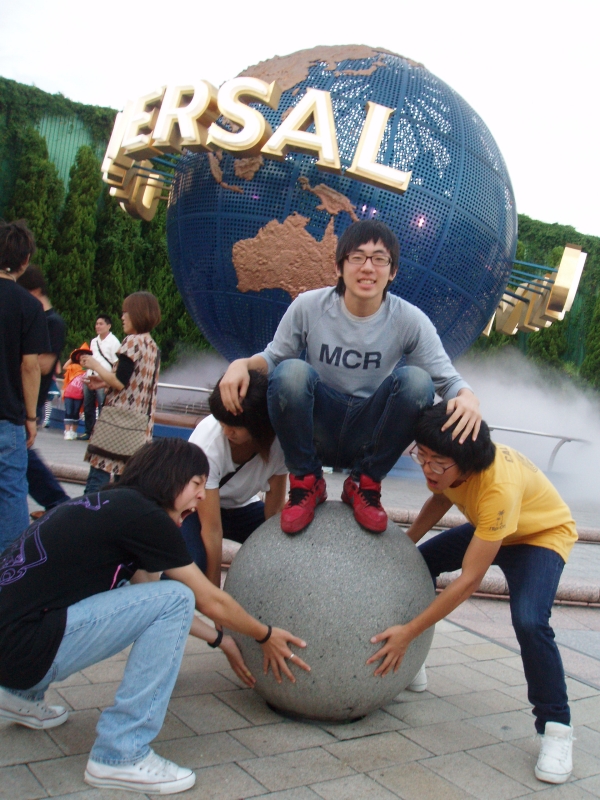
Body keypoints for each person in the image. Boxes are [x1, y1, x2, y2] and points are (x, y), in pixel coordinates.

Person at [0, 437, 310, 795]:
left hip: (13, 645)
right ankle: (120, 753)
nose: (201, 496)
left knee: (167, 597)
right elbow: (208, 600)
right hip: (22, 647)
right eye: (196, 484)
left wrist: (221, 640)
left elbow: (146, 598)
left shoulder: (113, 504)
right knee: (178, 596)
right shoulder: (144, 516)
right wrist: (264, 634)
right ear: (170, 477)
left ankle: (19, 696)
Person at [219, 220, 481, 535]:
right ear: (339, 267)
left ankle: (365, 484)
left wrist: (468, 396)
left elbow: (447, 380)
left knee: (417, 383)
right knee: (290, 372)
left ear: (393, 271)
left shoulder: (408, 320)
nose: (368, 267)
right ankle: (306, 482)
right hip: (317, 429)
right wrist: (241, 364)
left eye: (379, 259)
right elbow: (274, 357)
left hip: (368, 434)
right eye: (357, 257)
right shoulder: (309, 306)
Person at [367, 402, 577, 785]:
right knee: (418, 564)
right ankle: (413, 660)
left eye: (438, 463)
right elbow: (442, 496)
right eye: (421, 456)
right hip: (495, 527)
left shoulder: (498, 487)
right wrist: (405, 545)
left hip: (539, 535)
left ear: (467, 463)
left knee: (530, 621)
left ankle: (557, 728)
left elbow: (468, 581)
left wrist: (408, 632)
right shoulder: (450, 470)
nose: (428, 469)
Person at [183, 370, 287, 586]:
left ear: (259, 423)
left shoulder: (279, 444)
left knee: (287, 542)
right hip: (195, 509)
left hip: (241, 509)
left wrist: (275, 552)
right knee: (192, 565)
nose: (226, 431)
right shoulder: (209, 443)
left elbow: (274, 513)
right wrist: (214, 592)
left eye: (234, 426)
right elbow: (212, 530)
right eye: (222, 422)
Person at [0, 220, 49, 550]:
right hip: (7, 417)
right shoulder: (29, 306)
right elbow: (30, 366)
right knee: (10, 493)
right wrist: (31, 417)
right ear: (25, 260)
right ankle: (11, 572)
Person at [81, 292, 161, 494]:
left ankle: (89, 512)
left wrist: (94, 365)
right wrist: (102, 382)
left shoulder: (132, 341)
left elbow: (118, 382)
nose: (122, 317)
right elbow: (133, 380)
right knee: (123, 483)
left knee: (97, 477)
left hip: (117, 422)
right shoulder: (152, 346)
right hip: (138, 425)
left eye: (126, 312)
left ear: (138, 314)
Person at [16, 265, 70, 517]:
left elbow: (44, 363)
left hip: (30, 398)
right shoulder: (38, 319)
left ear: (35, 291)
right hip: (22, 397)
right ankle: (55, 501)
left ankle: (57, 500)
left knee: (23, 455)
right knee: (21, 455)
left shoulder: (53, 323)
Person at [80, 314, 120, 440]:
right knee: (88, 405)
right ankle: (88, 431)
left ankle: (102, 434)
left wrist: (109, 381)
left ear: (109, 326)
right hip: (91, 376)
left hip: (103, 378)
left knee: (103, 406)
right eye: (97, 324)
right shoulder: (94, 341)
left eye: (101, 324)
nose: (98, 326)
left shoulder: (114, 342)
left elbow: (116, 363)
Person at [62, 349, 86, 440]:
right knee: (68, 412)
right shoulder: (75, 367)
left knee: (76, 413)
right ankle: (67, 431)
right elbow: (65, 367)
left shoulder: (89, 370)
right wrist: (72, 357)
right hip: (69, 393)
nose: (83, 362)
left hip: (79, 395)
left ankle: (73, 431)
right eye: (81, 360)